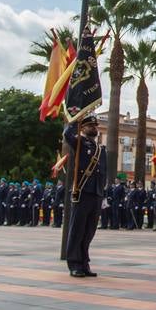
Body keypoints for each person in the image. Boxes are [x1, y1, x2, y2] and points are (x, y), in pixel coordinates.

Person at [64, 115, 105, 278]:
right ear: (83, 128)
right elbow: (67, 135)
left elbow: (103, 173)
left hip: (96, 193)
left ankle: (84, 263)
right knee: (77, 230)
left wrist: (104, 194)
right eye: (90, 126)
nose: (94, 128)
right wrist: (75, 120)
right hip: (82, 191)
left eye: (95, 126)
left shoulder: (100, 149)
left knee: (89, 232)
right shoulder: (79, 143)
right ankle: (74, 264)